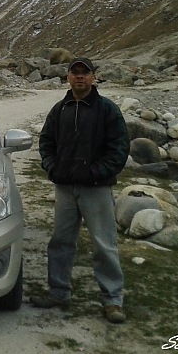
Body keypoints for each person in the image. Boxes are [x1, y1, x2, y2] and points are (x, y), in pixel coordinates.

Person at [30, 57, 130, 324]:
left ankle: (112, 299)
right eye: (75, 73)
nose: (79, 77)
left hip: (96, 189)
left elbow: (119, 148)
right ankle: (59, 291)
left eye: (84, 73)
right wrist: (52, 168)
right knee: (60, 242)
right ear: (68, 78)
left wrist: (95, 172)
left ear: (94, 77)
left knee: (104, 244)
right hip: (65, 188)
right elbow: (46, 142)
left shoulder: (107, 110)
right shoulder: (60, 109)